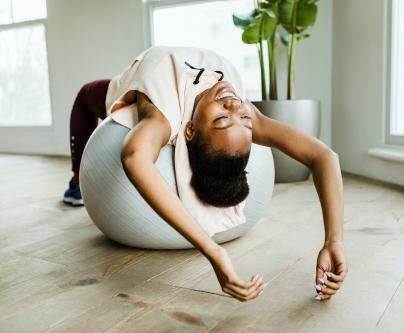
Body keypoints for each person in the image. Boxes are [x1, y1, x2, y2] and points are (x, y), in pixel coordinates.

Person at [63, 46, 347, 302]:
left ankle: (77, 182)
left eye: (222, 119)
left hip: (135, 79)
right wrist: (335, 242)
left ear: (189, 129)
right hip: (173, 58)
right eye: (244, 120)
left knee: (84, 97)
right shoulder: (244, 109)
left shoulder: (162, 115)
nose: (236, 106)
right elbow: (323, 156)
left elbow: (135, 156)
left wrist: (213, 252)